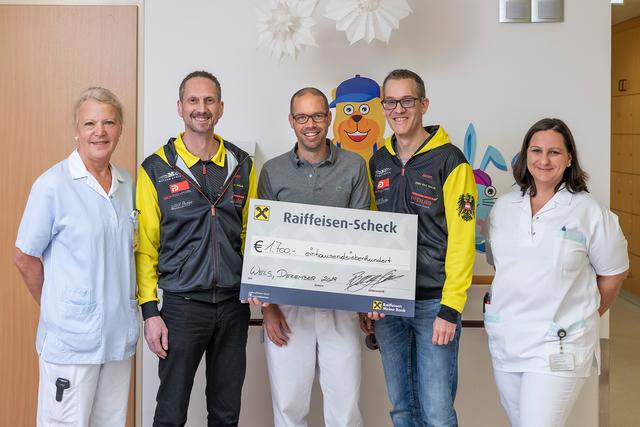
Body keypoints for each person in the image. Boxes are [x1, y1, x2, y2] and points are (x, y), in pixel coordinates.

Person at [484, 118, 628, 427]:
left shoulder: (588, 212)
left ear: (569, 158)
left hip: (559, 344)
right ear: (526, 156)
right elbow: (503, 266)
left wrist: (586, 313)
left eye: (554, 152)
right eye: (536, 150)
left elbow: (614, 273)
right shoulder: (504, 208)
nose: (544, 160)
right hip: (507, 339)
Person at [135, 70, 257, 426]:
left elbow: (253, 233)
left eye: (208, 101)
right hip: (181, 307)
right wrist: (149, 311)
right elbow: (145, 244)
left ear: (220, 108)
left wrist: (259, 284)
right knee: (171, 412)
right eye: (193, 100)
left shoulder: (242, 165)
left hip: (234, 306)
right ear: (180, 107)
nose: (201, 108)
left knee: (225, 412)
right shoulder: (156, 168)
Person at [14, 87, 138, 426]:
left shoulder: (127, 185)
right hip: (71, 340)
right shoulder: (52, 185)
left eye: (109, 122)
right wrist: (56, 305)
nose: (99, 132)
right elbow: (25, 256)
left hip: (117, 338)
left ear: (120, 129)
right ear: (76, 130)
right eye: (89, 123)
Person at [365, 69, 477, 426]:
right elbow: (370, 233)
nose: (398, 109)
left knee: (437, 413)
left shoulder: (450, 160)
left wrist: (450, 308)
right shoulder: (377, 161)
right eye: (390, 101)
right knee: (401, 408)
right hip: (388, 303)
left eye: (407, 100)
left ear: (424, 104)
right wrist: (369, 295)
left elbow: (462, 239)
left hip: (434, 305)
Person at [255, 87, 370, 427]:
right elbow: (261, 243)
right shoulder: (273, 172)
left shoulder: (354, 166)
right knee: (289, 407)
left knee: (346, 409)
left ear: (328, 118)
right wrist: (269, 308)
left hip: (341, 303)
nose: (311, 124)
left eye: (318, 116)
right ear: (291, 121)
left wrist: (366, 300)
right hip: (288, 307)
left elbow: (364, 236)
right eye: (302, 117)